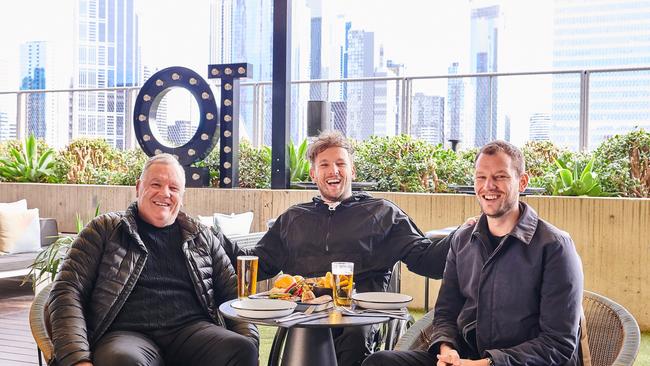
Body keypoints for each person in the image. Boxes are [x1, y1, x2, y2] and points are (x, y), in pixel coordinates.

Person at [224, 130, 452, 366]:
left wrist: (464, 235)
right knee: (303, 338)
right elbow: (256, 264)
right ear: (313, 174)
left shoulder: (382, 213)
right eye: (324, 165)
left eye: (340, 163)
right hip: (305, 315)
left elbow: (427, 260)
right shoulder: (293, 218)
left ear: (352, 170)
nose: (333, 170)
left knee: (354, 338)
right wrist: (211, 238)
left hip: (359, 315)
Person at [362, 140, 584, 366]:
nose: (488, 186)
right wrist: (447, 349)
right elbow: (446, 312)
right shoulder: (463, 239)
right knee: (379, 362)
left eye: (500, 177)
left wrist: (487, 363)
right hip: (466, 357)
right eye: (481, 177)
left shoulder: (555, 246)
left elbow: (558, 344)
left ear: (523, 182)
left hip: (517, 363)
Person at [47, 153, 259, 366]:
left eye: (174, 188)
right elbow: (67, 291)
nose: (165, 193)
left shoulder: (201, 236)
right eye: (156, 184)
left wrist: (249, 340)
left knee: (240, 349)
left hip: (191, 331)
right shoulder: (104, 229)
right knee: (122, 361)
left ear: (182, 195)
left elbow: (234, 295)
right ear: (139, 187)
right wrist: (77, 359)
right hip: (126, 334)